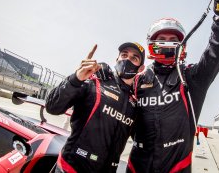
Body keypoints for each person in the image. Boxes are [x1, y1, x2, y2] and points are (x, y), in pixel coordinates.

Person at [126, 0, 219, 173]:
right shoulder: (138, 79)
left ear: (181, 45)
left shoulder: (192, 77)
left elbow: (217, 50)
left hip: (177, 168)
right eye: (163, 38)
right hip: (136, 167)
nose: (168, 42)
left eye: (173, 38)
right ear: (152, 43)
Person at [45, 42, 145, 173]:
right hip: (70, 168)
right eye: (124, 55)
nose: (127, 59)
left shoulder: (137, 101)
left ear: (141, 68)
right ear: (117, 59)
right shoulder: (95, 80)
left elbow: (144, 139)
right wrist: (76, 78)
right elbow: (52, 107)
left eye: (134, 58)